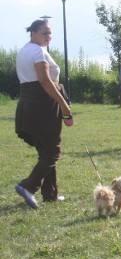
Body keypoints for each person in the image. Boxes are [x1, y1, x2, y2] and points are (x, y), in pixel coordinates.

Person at [14, 19, 72, 209]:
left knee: (45, 150)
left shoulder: (24, 50)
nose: (49, 36)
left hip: (29, 103)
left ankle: (50, 194)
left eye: (50, 33)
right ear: (33, 33)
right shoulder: (37, 52)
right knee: (53, 151)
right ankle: (28, 186)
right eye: (45, 33)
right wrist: (63, 105)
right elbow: (45, 81)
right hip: (42, 105)